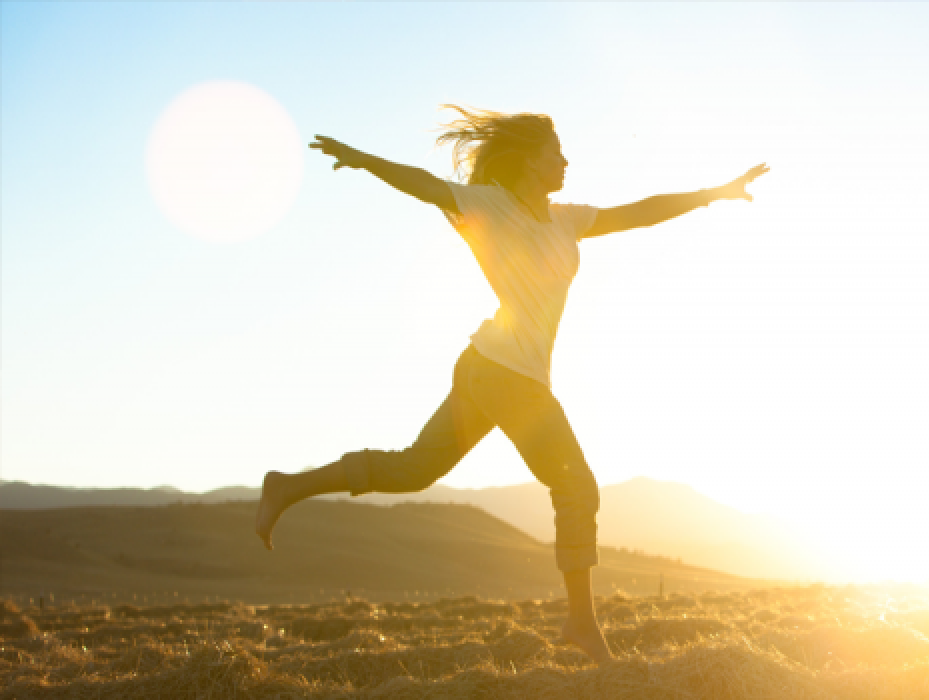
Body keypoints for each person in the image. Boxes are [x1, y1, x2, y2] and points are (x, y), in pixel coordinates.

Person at [254, 105, 768, 663]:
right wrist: (362, 160)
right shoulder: (489, 207)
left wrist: (716, 193)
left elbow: (641, 212)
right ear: (529, 160)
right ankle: (581, 624)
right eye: (556, 153)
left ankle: (287, 487)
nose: (566, 161)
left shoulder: (565, 219)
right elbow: (424, 184)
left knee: (414, 468)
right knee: (575, 486)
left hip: (487, 367)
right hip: (507, 373)